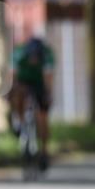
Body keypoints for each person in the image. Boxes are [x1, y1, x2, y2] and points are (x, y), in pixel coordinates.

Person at [10, 36, 55, 171]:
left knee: (43, 116)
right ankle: (19, 121)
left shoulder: (47, 55)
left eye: (37, 59)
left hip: (40, 82)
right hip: (23, 80)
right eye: (32, 58)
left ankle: (44, 151)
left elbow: (48, 77)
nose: (34, 61)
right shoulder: (18, 54)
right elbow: (13, 75)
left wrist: (48, 94)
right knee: (17, 96)